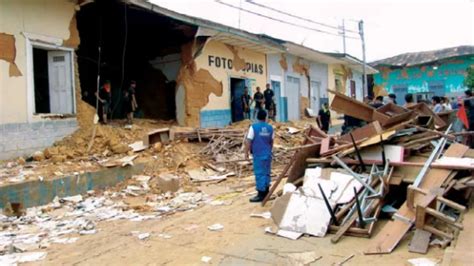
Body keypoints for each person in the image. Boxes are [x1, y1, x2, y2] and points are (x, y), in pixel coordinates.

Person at [244, 110, 274, 203]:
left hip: (258, 154)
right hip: (267, 153)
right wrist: (269, 150)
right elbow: (271, 141)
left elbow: (248, 141)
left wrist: (246, 153)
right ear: (266, 117)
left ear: (257, 117)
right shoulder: (270, 128)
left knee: (259, 173)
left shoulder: (253, 127)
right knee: (266, 172)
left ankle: (261, 194)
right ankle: (266, 191)